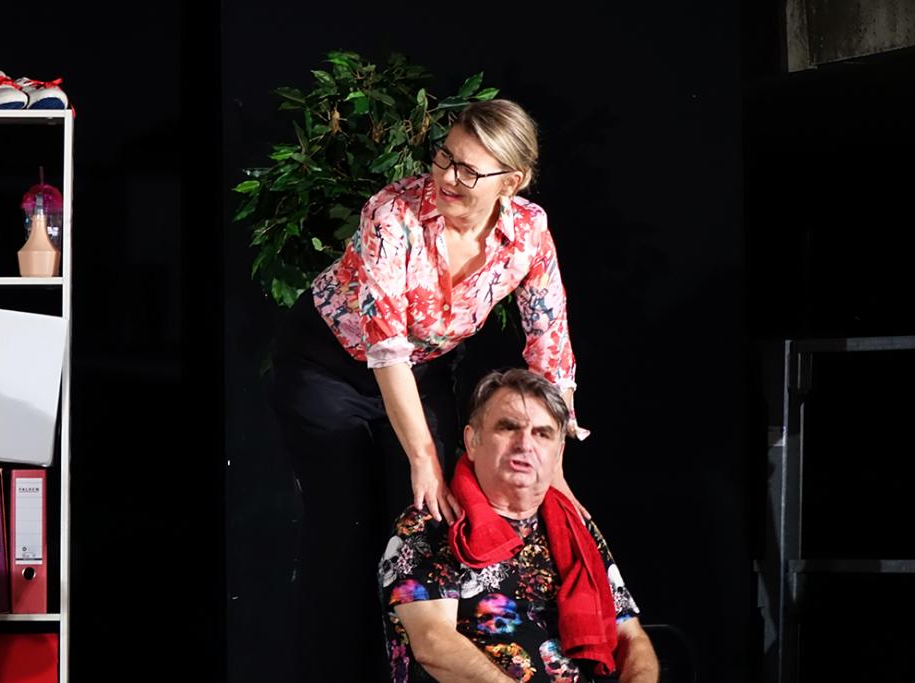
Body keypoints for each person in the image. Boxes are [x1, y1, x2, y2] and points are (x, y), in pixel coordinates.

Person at [272, 99, 586, 678]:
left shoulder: (528, 231)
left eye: (469, 170)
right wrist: (421, 458)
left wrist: (555, 468)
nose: (447, 176)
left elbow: (549, 345)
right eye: (445, 157)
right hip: (329, 366)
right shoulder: (391, 213)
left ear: (511, 182)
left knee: (430, 526)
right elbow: (386, 346)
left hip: (423, 372)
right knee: (345, 530)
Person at [378, 369, 657, 683]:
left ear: (558, 454)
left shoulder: (576, 528)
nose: (525, 444)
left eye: (542, 434)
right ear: (472, 441)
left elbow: (631, 636)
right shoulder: (430, 524)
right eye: (508, 427)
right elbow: (434, 644)